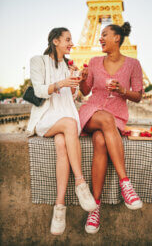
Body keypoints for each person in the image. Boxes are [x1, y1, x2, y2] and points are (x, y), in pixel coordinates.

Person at [27, 27, 97, 235]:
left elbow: (72, 97)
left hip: (65, 116)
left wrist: (78, 81)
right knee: (69, 124)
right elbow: (39, 89)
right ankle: (81, 183)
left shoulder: (69, 65)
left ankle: (59, 207)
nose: (71, 43)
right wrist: (61, 83)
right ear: (55, 41)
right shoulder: (37, 61)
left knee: (61, 144)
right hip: (48, 117)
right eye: (67, 39)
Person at [79, 22, 143, 234]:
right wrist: (81, 79)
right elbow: (86, 90)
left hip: (116, 115)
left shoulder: (133, 64)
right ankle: (125, 183)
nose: (100, 38)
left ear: (117, 37)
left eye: (105, 34)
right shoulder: (94, 61)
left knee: (100, 141)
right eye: (100, 35)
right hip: (91, 112)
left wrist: (122, 90)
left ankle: (94, 208)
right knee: (105, 120)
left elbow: (138, 96)